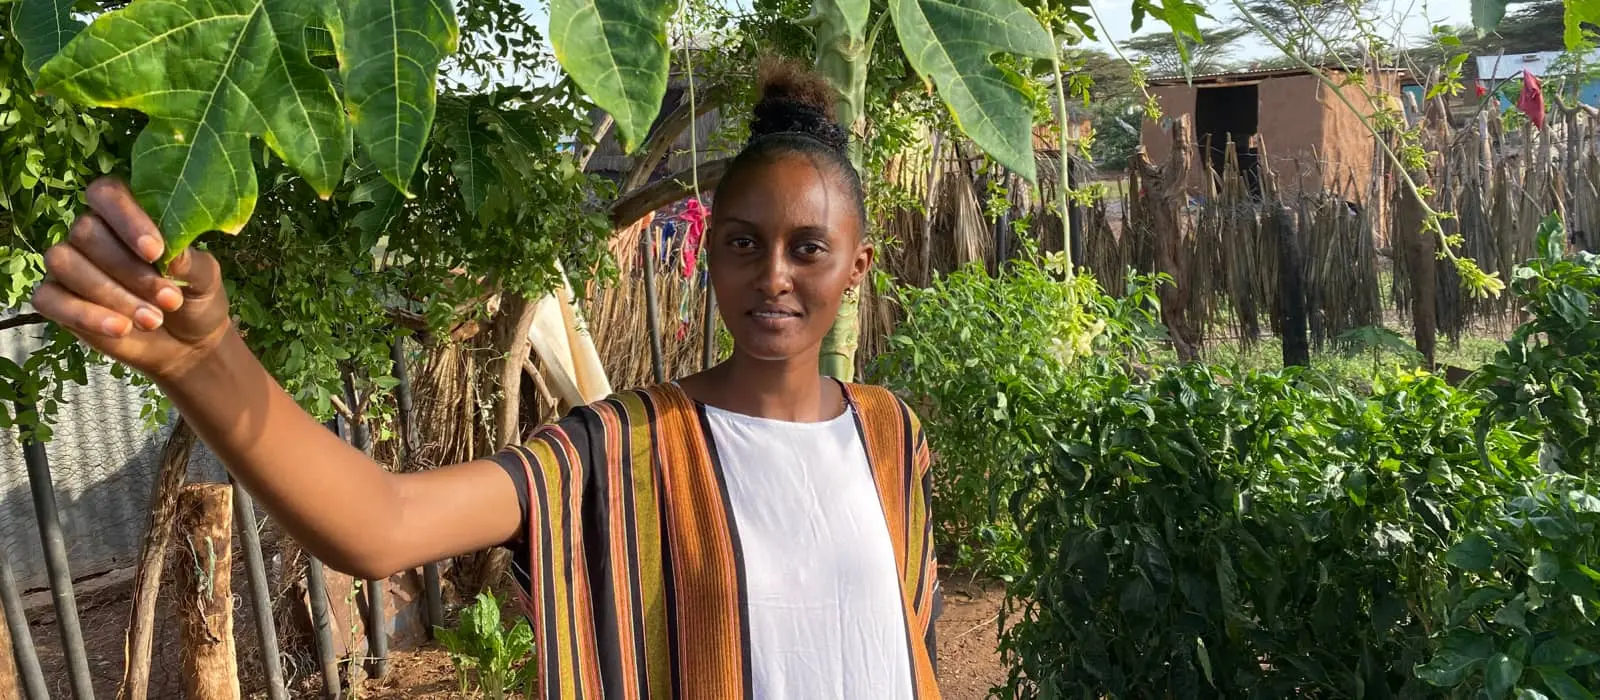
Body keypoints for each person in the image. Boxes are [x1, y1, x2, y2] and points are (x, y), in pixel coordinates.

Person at [33, 60, 941, 700]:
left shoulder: (892, 435)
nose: (773, 273)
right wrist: (204, 355)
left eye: (808, 248)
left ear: (856, 267)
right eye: (743, 242)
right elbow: (381, 525)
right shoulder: (625, 447)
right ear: (709, 254)